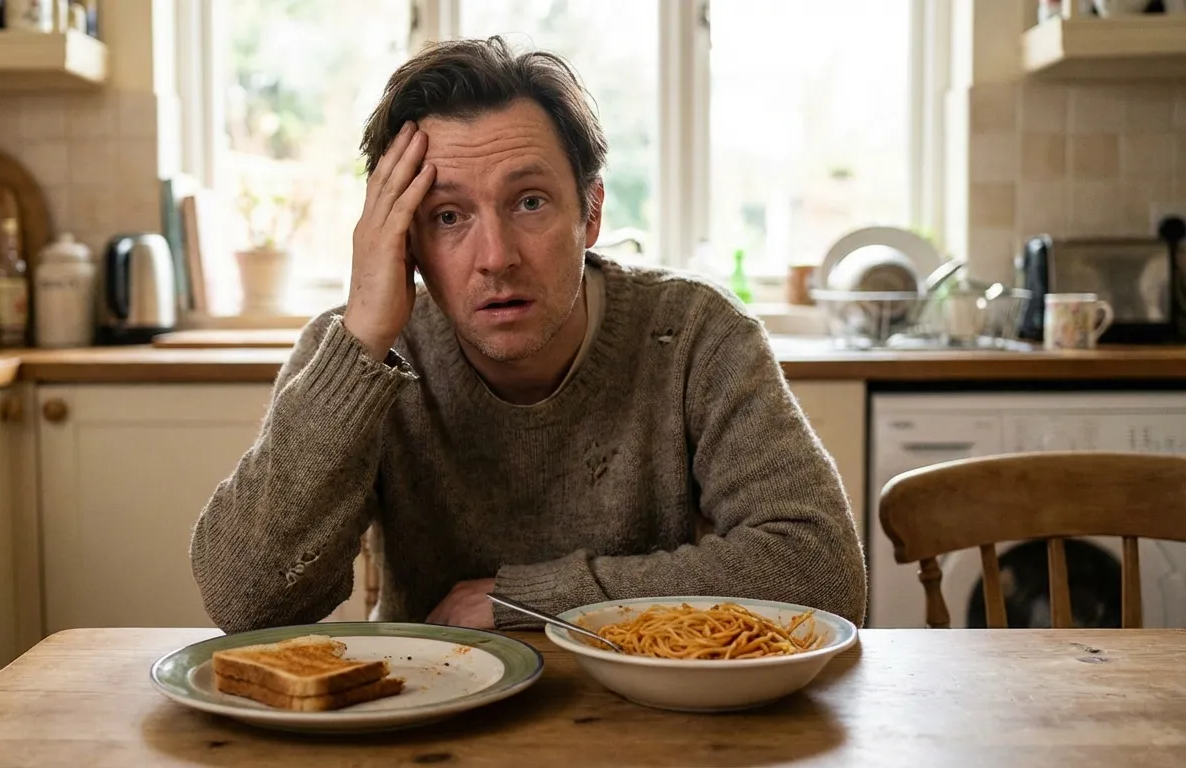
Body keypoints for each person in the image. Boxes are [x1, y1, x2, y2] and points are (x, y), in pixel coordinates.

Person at [190, 36, 866, 633]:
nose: (496, 257)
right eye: (448, 216)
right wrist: (363, 337)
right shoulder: (359, 354)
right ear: (404, 239)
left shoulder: (694, 335)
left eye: (530, 202)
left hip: (644, 713)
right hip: (426, 705)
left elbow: (823, 571)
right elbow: (245, 602)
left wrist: (533, 600)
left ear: (591, 212)